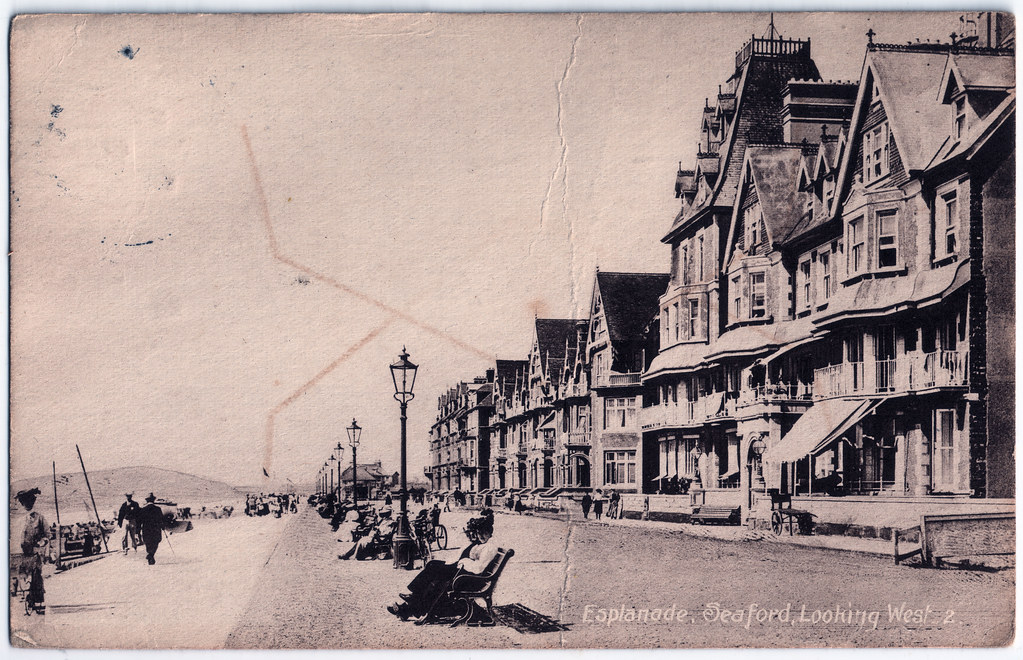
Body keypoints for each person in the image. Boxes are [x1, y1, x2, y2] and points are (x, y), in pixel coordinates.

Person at [387, 515, 499, 621]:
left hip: (471, 578)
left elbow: (479, 568)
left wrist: (464, 562)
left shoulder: (489, 547)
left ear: (490, 533)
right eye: (479, 533)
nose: (481, 536)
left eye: (484, 533)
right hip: (463, 573)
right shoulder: (480, 544)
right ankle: (410, 604)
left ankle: (410, 603)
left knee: (434, 572)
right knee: (433, 566)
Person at [13, 488, 49, 614]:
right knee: (21, 578)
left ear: (32, 502)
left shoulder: (39, 518)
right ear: (22, 503)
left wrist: (42, 543)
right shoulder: (16, 520)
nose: (27, 504)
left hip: (34, 553)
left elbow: (47, 535)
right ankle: (26, 599)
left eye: (29, 501)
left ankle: (37, 602)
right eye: (24, 502)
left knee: (36, 577)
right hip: (19, 554)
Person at [136, 493, 166, 565]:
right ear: (153, 500)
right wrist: (163, 527)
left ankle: (150, 554)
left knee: (148, 542)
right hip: (156, 528)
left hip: (146, 529)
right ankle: (151, 555)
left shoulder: (143, 509)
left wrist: (138, 530)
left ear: (147, 501)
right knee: (156, 541)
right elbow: (161, 519)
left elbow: (139, 521)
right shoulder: (158, 509)